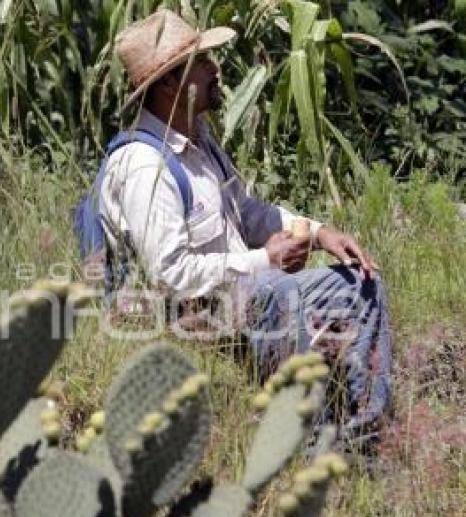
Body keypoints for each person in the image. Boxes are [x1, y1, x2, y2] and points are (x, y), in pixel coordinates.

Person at [95, 9, 393, 448]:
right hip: (181, 315)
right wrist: (263, 261)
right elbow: (168, 276)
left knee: (364, 283)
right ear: (168, 84)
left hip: (239, 295)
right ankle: (308, 442)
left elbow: (249, 213)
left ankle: (364, 436)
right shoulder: (144, 166)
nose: (216, 70)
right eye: (203, 62)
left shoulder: (201, 142)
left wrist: (318, 233)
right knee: (279, 288)